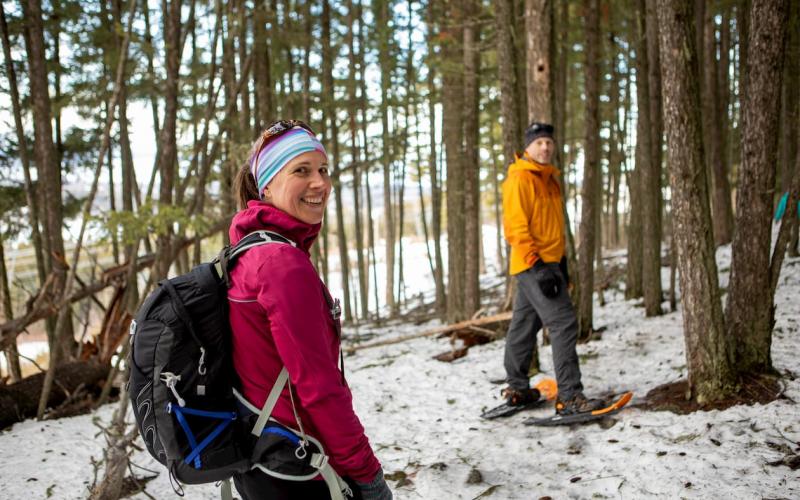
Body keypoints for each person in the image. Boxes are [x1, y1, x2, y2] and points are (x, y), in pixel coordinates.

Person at [228, 119, 392, 499]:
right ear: (267, 185)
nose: (320, 183)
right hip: (299, 467)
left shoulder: (249, 251)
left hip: (263, 457)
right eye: (301, 170)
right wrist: (367, 473)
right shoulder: (280, 264)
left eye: (323, 170)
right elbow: (319, 388)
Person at [500, 121, 604, 416]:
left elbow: (553, 228)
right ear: (528, 147)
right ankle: (569, 396)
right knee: (564, 323)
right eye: (539, 142)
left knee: (524, 325)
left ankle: (518, 389)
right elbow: (515, 228)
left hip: (549, 263)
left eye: (549, 142)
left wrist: (562, 263)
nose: (545, 147)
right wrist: (538, 265)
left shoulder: (550, 180)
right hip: (534, 264)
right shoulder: (520, 178)